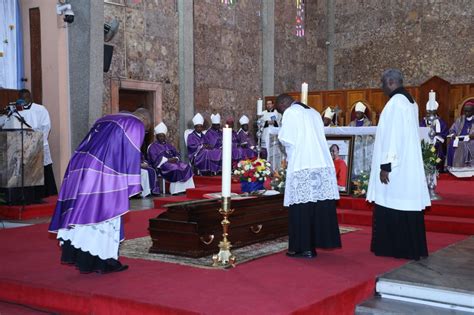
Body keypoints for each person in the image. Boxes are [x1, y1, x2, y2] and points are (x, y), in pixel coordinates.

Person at [48, 108, 152, 274]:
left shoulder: (106, 119)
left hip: (79, 164)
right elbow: (132, 153)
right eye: (146, 130)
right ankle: (103, 262)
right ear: (145, 120)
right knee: (105, 212)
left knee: (82, 211)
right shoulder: (135, 123)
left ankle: (84, 259)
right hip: (103, 170)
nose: (144, 132)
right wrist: (132, 181)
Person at [367, 69, 430, 260]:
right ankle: (411, 247)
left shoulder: (395, 103)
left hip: (396, 164)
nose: (381, 87)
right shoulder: (410, 101)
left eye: (382, 83)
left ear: (391, 82)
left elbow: (392, 136)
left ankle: (394, 248)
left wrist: (386, 165)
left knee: (392, 200)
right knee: (404, 203)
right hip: (407, 161)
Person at [276, 93, 341, 259]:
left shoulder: (291, 112)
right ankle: (312, 245)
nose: (282, 114)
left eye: (280, 111)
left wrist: (280, 139)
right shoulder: (312, 111)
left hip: (302, 164)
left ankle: (302, 248)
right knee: (315, 207)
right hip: (320, 163)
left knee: (301, 208)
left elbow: (286, 138)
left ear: (283, 105)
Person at [0, 89, 57, 199]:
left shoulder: (40, 109)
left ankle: (41, 196)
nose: (23, 99)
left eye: (25, 97)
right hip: (19, 147)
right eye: (21, 97)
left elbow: (46, 127)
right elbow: (7, 124)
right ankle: (21, 197)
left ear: (30, 97)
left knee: (41, 171)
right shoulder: (14, 111)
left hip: (37, 144)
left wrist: (36, 140)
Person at [147, 122, 195, 195]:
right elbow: (154, 160)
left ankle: (187, 188)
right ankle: (175, 190)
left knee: (186, 166)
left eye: (163, 136)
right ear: (156, 136)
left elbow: (177, 153)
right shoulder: (153, 147)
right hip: (163, 166)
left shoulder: (168, 145)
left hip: (173, 162)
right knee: (175, 168)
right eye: (160, 136)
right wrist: (167, 160)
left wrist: (176, 158)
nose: (162, 138)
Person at [420, 101, 448, 170]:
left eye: (431, 112)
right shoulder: (423, 121)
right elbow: (420, 131)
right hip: (425, 142)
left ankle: (437, 167)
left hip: (437, 143)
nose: (429, 113)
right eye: (428, 111)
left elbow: (444, 134)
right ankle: (425, 167)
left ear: (435, 111)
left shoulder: (441, 122)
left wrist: (435, 138)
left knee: (438, 148)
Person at [446, 100, 473, 168]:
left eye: (468, 111)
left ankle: (467, 166)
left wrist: (471, 136)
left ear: (473, 111)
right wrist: (453, 134)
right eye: (465, 111)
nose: (466, 113)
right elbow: (452, 129)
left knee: (466, 144)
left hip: (471, 140)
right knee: (452, 143)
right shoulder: (460, 119)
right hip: (459, 139)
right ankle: (453, 167)